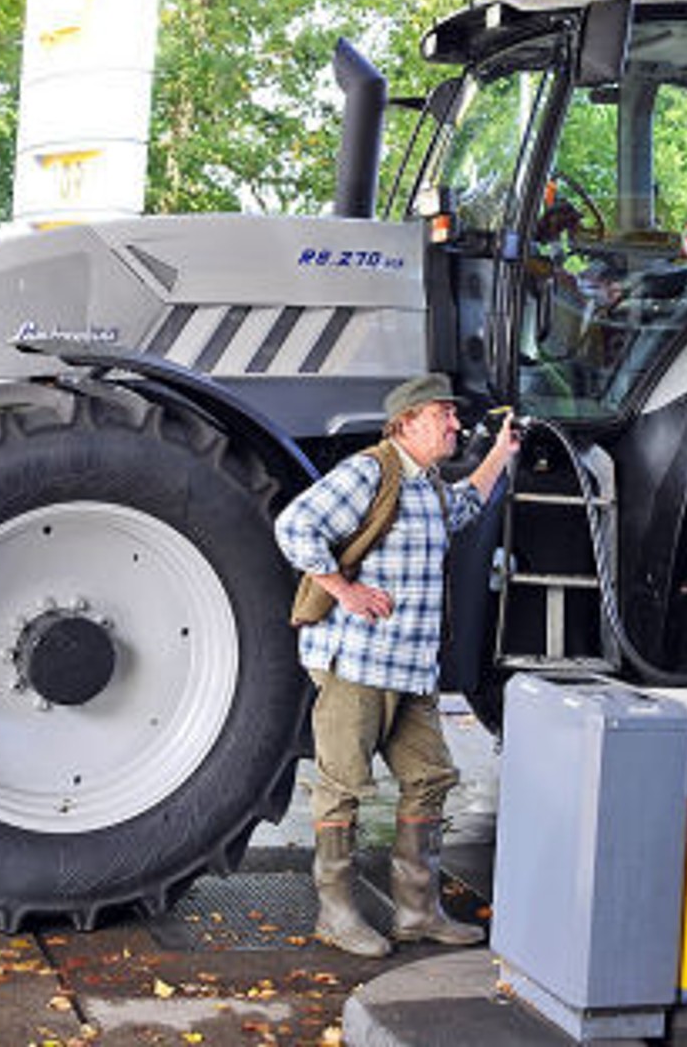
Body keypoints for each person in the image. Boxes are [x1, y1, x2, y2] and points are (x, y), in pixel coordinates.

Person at [274, 372, 520, 957]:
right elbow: (294, 525)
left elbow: (463, 508)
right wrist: (344, 591)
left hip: (410, 669)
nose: (455, 424)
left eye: (453, 415)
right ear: (405, 423)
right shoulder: (370, 472)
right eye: (443, 414)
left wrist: (501, 455)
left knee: (429, 777)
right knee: (342, 785)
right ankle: (336, 914)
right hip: (359, 665)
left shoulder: (427, 484)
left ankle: (417, 912)